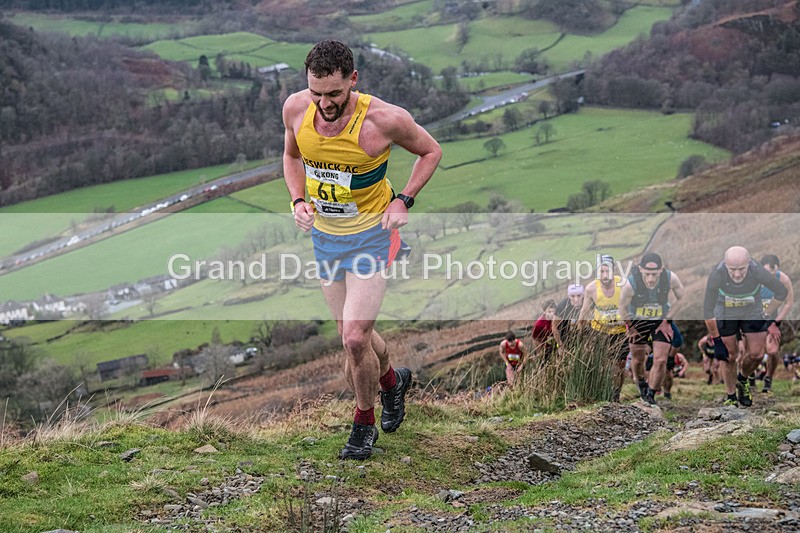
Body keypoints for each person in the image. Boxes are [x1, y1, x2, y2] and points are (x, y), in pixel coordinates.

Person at [282, 40, 442, 460]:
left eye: (334, 94)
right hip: (326, 238)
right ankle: (393, 382)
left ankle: (363, 425)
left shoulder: (384, 119)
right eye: (316, 93)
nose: (324, 103)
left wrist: (403, 199)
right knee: (352, 336)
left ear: (353, 80)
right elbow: (291, 155)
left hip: (372, 234)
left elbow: (431, 151)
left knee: (355, 339)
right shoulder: (296, 109)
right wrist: (298, 200)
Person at [703, 246, 788, 407]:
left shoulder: (757, 270)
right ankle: (731, 396)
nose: (737, 274)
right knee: (729, 355)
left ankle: (742, 379)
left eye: (741, 269)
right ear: (725, 265)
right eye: (732, 269)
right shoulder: (716, 275)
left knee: (756, 354)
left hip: (751, 310)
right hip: (725, 311)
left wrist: (765, 315)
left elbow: (781, 292)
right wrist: (716, 340)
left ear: (749, 264)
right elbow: (707, 310)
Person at [619, 252, 684, 406]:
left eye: (654, 274)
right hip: (638, 321)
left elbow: (682, 297)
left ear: (661, 270)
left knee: (661, 360)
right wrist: (631, 328)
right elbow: (622, 307)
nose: (651, 279)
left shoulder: (670, 278)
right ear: (641, 270)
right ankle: (641, 382)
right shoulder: (630, 283)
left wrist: (668, 318)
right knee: (638, 359)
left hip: (660, 321)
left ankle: (651, 393)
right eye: (647, 274)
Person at [579, 254, 630, 402]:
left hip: (620, 332)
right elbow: (585, 310)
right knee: (609, 365)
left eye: (608, 271)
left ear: (613, 270)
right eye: (602, 271)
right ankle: (608, 395)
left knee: (619, 367)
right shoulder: (591, 288)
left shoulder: (624, 285)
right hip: (600, 330)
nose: (605, 275)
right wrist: (580, 328)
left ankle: (616, 394)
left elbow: (632, 307)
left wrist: (630, 326)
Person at [758, 254, 794, 393]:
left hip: (772, 318)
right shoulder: (752, 278)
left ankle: (768, 378)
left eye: (773, 274)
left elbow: (788, 303)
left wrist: (775, 323)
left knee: (772, 352)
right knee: (752, 352)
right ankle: (747, 378)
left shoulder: (783, 279)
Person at [552, 283, 584, 353]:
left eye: (579, 296)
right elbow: (554, 327)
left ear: (583, 295)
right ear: (569, 296)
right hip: (566, 337)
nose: (576, 299)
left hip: (584, 337)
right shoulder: (562, 306)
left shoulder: (587, 303)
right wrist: (560, 344)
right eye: (573, 296)